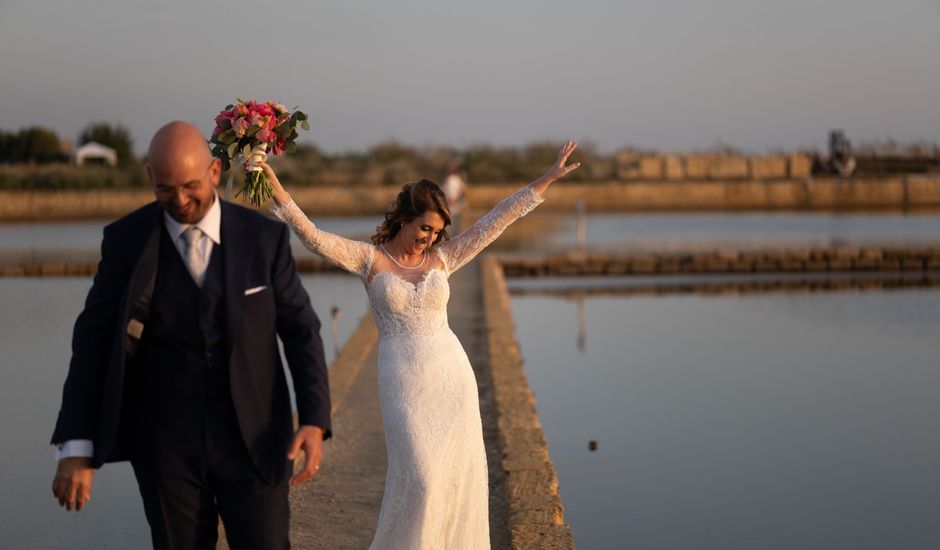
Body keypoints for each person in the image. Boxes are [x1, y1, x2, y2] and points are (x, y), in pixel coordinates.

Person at [257, 139, 579, 549]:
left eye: (438, 231)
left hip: (451, 376)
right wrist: (275, 187)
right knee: (423, 480)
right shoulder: (368, 260)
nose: (430, 238)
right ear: (404, 219)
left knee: (454, 479)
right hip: (403, 383)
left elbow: (497, 221)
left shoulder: (444, 258)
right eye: (424, 227)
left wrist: (545, 180)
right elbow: (313, 236)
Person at [50, 121, 331, 550]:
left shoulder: (264, 238)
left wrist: (313, 419)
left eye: (190, 185)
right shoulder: (125, 241)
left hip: (256, 440)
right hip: (165, 448)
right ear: (149, 179)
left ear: (215, 172)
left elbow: (301, 329)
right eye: (165, 189)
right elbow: (91, 341)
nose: (179, 200)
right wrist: (76, 445)